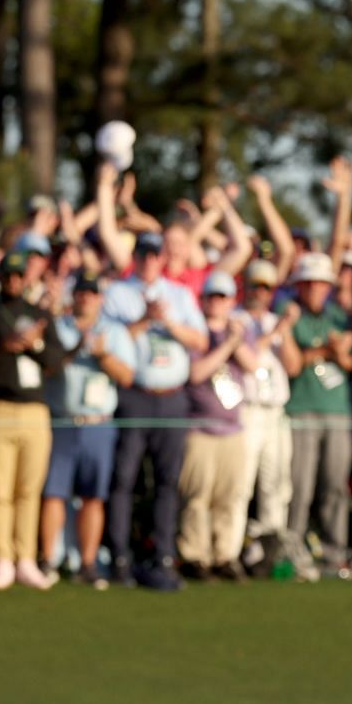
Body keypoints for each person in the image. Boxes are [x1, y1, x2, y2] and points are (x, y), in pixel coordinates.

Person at [102, 224, 208, 592]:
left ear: (163, 258)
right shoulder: (117, 293)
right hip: (135, 394)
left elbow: (199, 339)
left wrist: (167, 322)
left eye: (154, 254)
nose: (148, 261)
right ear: (136, 258)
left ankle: (162, 554)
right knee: (125, 478)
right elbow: (107, 343)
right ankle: (119, 554)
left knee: (167, 481)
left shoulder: (178, 295)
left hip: (172, 396)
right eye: (143, 254)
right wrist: (145, 320)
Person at [0, 250, 68, 590]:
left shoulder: (39, 314)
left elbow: (56, 359)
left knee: (29, 488)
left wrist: (32, 344)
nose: (13, 281)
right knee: (0, 488)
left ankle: (26, 557)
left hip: (34, 410)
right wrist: (4, 346)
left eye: (18, 276)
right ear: (0, 278)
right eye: (8, 276)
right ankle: (1, 557)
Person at [40, 275, 134, 587]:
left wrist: (102, 354)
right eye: (80, 293)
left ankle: (88, 563)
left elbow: (127, 376)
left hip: (98, 423)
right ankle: (47, 561)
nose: (85, 299)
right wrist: (79, 345)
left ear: (99, 299)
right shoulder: (58, 326)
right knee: (54, 492)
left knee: (93, 495)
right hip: (64, 420)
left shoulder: (114, 331)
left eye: (91, 294)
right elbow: (49, 366)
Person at [279, 252, 352, 580]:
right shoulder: (289, 315)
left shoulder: (339, 317)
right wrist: (327, 352)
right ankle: (292, 548)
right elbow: (293, 363)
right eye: (309, 283)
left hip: (337, 411)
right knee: (300, 485)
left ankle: (334, 551)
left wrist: (338, 353)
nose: (315, 289)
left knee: (335, 485)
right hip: (301, 409)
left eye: (320, 284)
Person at [177, 272, 254, 579]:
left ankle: (224, 554)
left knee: (229, 496)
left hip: (233, 428)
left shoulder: (238, 332)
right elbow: (197, 372)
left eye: (223, 298)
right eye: (212, 297)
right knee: (197, 496)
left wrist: (236, 340)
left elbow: (252, 365)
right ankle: (195, 555)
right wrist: (226, 345)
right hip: (200, 428)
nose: (217, 303)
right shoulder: (196, 332)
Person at [231, 259, 295, 571]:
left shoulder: (274, 321)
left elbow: (293, 366)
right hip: (249, 411)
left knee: (277, 484)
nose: (261, 292)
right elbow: (250, 360)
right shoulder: (237, 320)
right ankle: (231, 551)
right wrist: (277, 331)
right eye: (256, 285)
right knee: (242, 484)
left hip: (276, 411)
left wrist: (287, 332)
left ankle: (271, 553)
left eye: (267, 287)